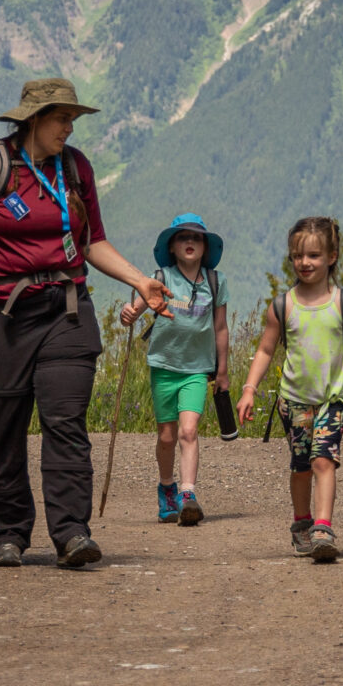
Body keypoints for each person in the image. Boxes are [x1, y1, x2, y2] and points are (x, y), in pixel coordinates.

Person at [0, 77, 170, 568]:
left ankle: (72, 533)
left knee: (65, 422)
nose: (70, 127)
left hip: (65, 307)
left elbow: (91, 242)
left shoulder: (75, 168)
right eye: (61, 118)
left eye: (72, 118)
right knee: (0, 427)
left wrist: (140, 282)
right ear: (33, 119)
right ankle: (8, 533)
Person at [235, 217, 343, 564]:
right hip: (293, 402)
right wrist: (249, 388)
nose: (305, 263)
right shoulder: (283, 306)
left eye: (313, 255)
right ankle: (302, 522)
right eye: (298, 256)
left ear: (332, 256)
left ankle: (323, 528)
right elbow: (266, 350)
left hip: (334, 399)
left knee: (323, 460)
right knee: (300, 465)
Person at [133, 214, 230, 526]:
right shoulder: (161, 277)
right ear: (172, 247)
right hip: (163, 366)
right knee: (167, 436)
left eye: (197, 238)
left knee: (189, 431)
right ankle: (167, 489)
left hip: (197, 370)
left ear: (205, 247)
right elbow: (138, 306)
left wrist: (222, 370)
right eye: (182, 238)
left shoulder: (216, 282)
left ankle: (188, 495)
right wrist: (129, 312)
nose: (190, 242)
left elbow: (220, 327)